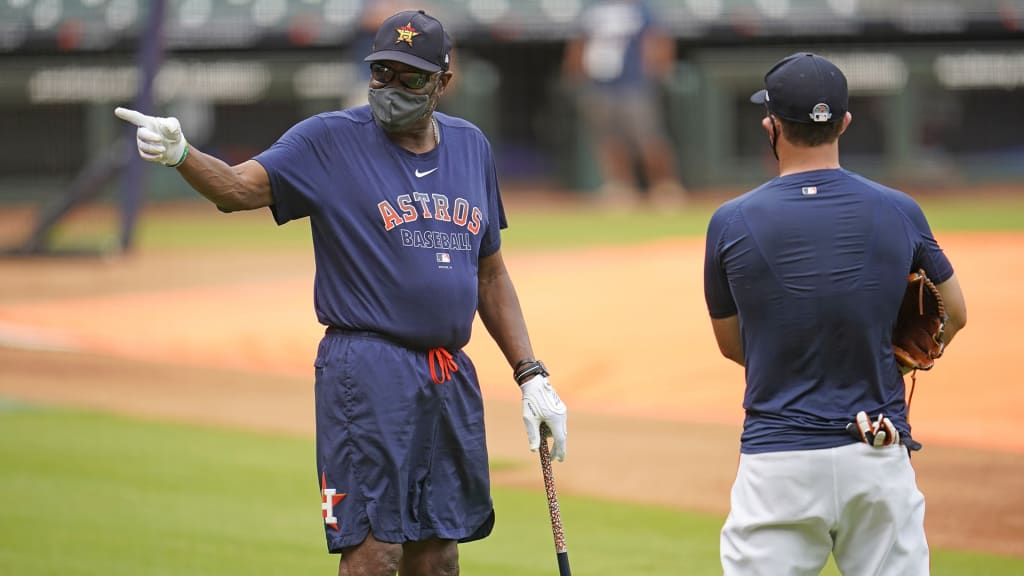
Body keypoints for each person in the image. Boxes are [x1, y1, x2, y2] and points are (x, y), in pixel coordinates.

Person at [114, 10, 568, 576]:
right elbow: (236, 188)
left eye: (412, 78)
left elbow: (490, 273)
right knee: (374, 553)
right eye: (383, 73)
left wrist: (531, 375)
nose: (392, 89)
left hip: (448, 374)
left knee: (439, 554)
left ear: (443, 83)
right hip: (367, 369)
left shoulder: (471, 147)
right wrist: (184, 155)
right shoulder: (329, 140)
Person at [703, 53, 967, 575]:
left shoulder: (729, 222)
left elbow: (735, 347)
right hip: (877, 451)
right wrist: (893, 361)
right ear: (844, 123)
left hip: (777, 463)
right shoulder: (900, 209)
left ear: (770, 125)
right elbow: (953, 314)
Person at [561, 0, 686, 207]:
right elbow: (579, 42)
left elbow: (659, 39)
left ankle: (664, 187)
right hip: (599, 83)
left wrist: (657, 70)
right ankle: (620, 188)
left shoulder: (641, 9)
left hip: (633, 83)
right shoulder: (593, 9)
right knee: (609, 140)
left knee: (648, 137)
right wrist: (575, 73)